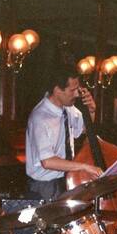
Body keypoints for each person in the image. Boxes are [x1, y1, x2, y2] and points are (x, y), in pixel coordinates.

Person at [25, 65, 101, 201]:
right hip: (45, 186)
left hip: (65, 179)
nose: (77, 94)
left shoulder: (68, 108)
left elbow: (84, 129)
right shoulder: (39, 118)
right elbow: (47, 161)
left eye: (77, 89)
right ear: (57, 90)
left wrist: (91, 110)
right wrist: (84, 167)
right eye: (72, 90)